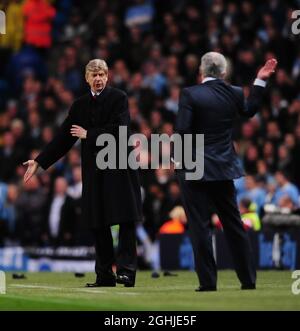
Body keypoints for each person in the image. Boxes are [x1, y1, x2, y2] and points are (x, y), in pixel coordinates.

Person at [23, 59, 142, 287]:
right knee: (98, 222)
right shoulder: (79, 106)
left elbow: (122, 130)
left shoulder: (119, 98)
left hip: (119, 168)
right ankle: (105, 275)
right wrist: (39, 162)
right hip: (95, 171)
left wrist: (91, 134)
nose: (98, 78)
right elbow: (63, 139)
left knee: (126, 220)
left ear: (108, 77)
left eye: (102, 74)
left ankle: (126, 271)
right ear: (87, 78)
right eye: (94, 75)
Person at [175, 52, 277, 291]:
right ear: (223, 72)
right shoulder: (235, 93)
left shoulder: (190, 94)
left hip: (194, 168)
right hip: (223, 168)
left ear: (201, 72)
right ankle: (248, 280)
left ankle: (208, 283)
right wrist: (260, 80)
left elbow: (182, 130)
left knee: (200, 226)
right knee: (233, 224)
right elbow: (250, 110)